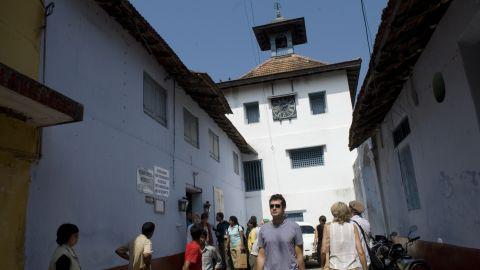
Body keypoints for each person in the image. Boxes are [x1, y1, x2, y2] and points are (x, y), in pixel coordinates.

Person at [256, 194, 305, 270]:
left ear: (284, 207)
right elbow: (261, 256)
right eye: (271, 206)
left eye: (277, 206)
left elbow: (299, 255)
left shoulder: (294, 227)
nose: (274, 208)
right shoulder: (263, 229)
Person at [321, 202, 367, 270]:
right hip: (352, 267)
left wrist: (322, 265)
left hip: (334, 266)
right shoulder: (353, 227)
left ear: (333, 213)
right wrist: (365, 268)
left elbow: (324, 250)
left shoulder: (328, 227)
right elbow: (361, 252)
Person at [349, 201, 371, 267]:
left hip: (356, 260)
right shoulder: (366, 222)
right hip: (367, 258)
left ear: (351, 209)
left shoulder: (350, 223)